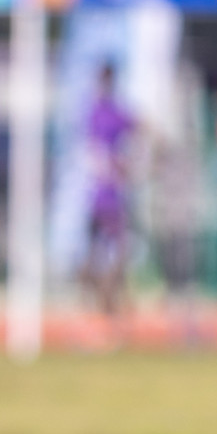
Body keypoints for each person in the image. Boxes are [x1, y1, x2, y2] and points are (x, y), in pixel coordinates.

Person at [81, 63, 135, 341]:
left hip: (102, 195)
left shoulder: (98, 113)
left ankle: (106, 310)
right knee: (112, 256)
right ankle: (106, 311)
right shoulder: (107, 114)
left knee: (106, 256)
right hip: (106, 195)